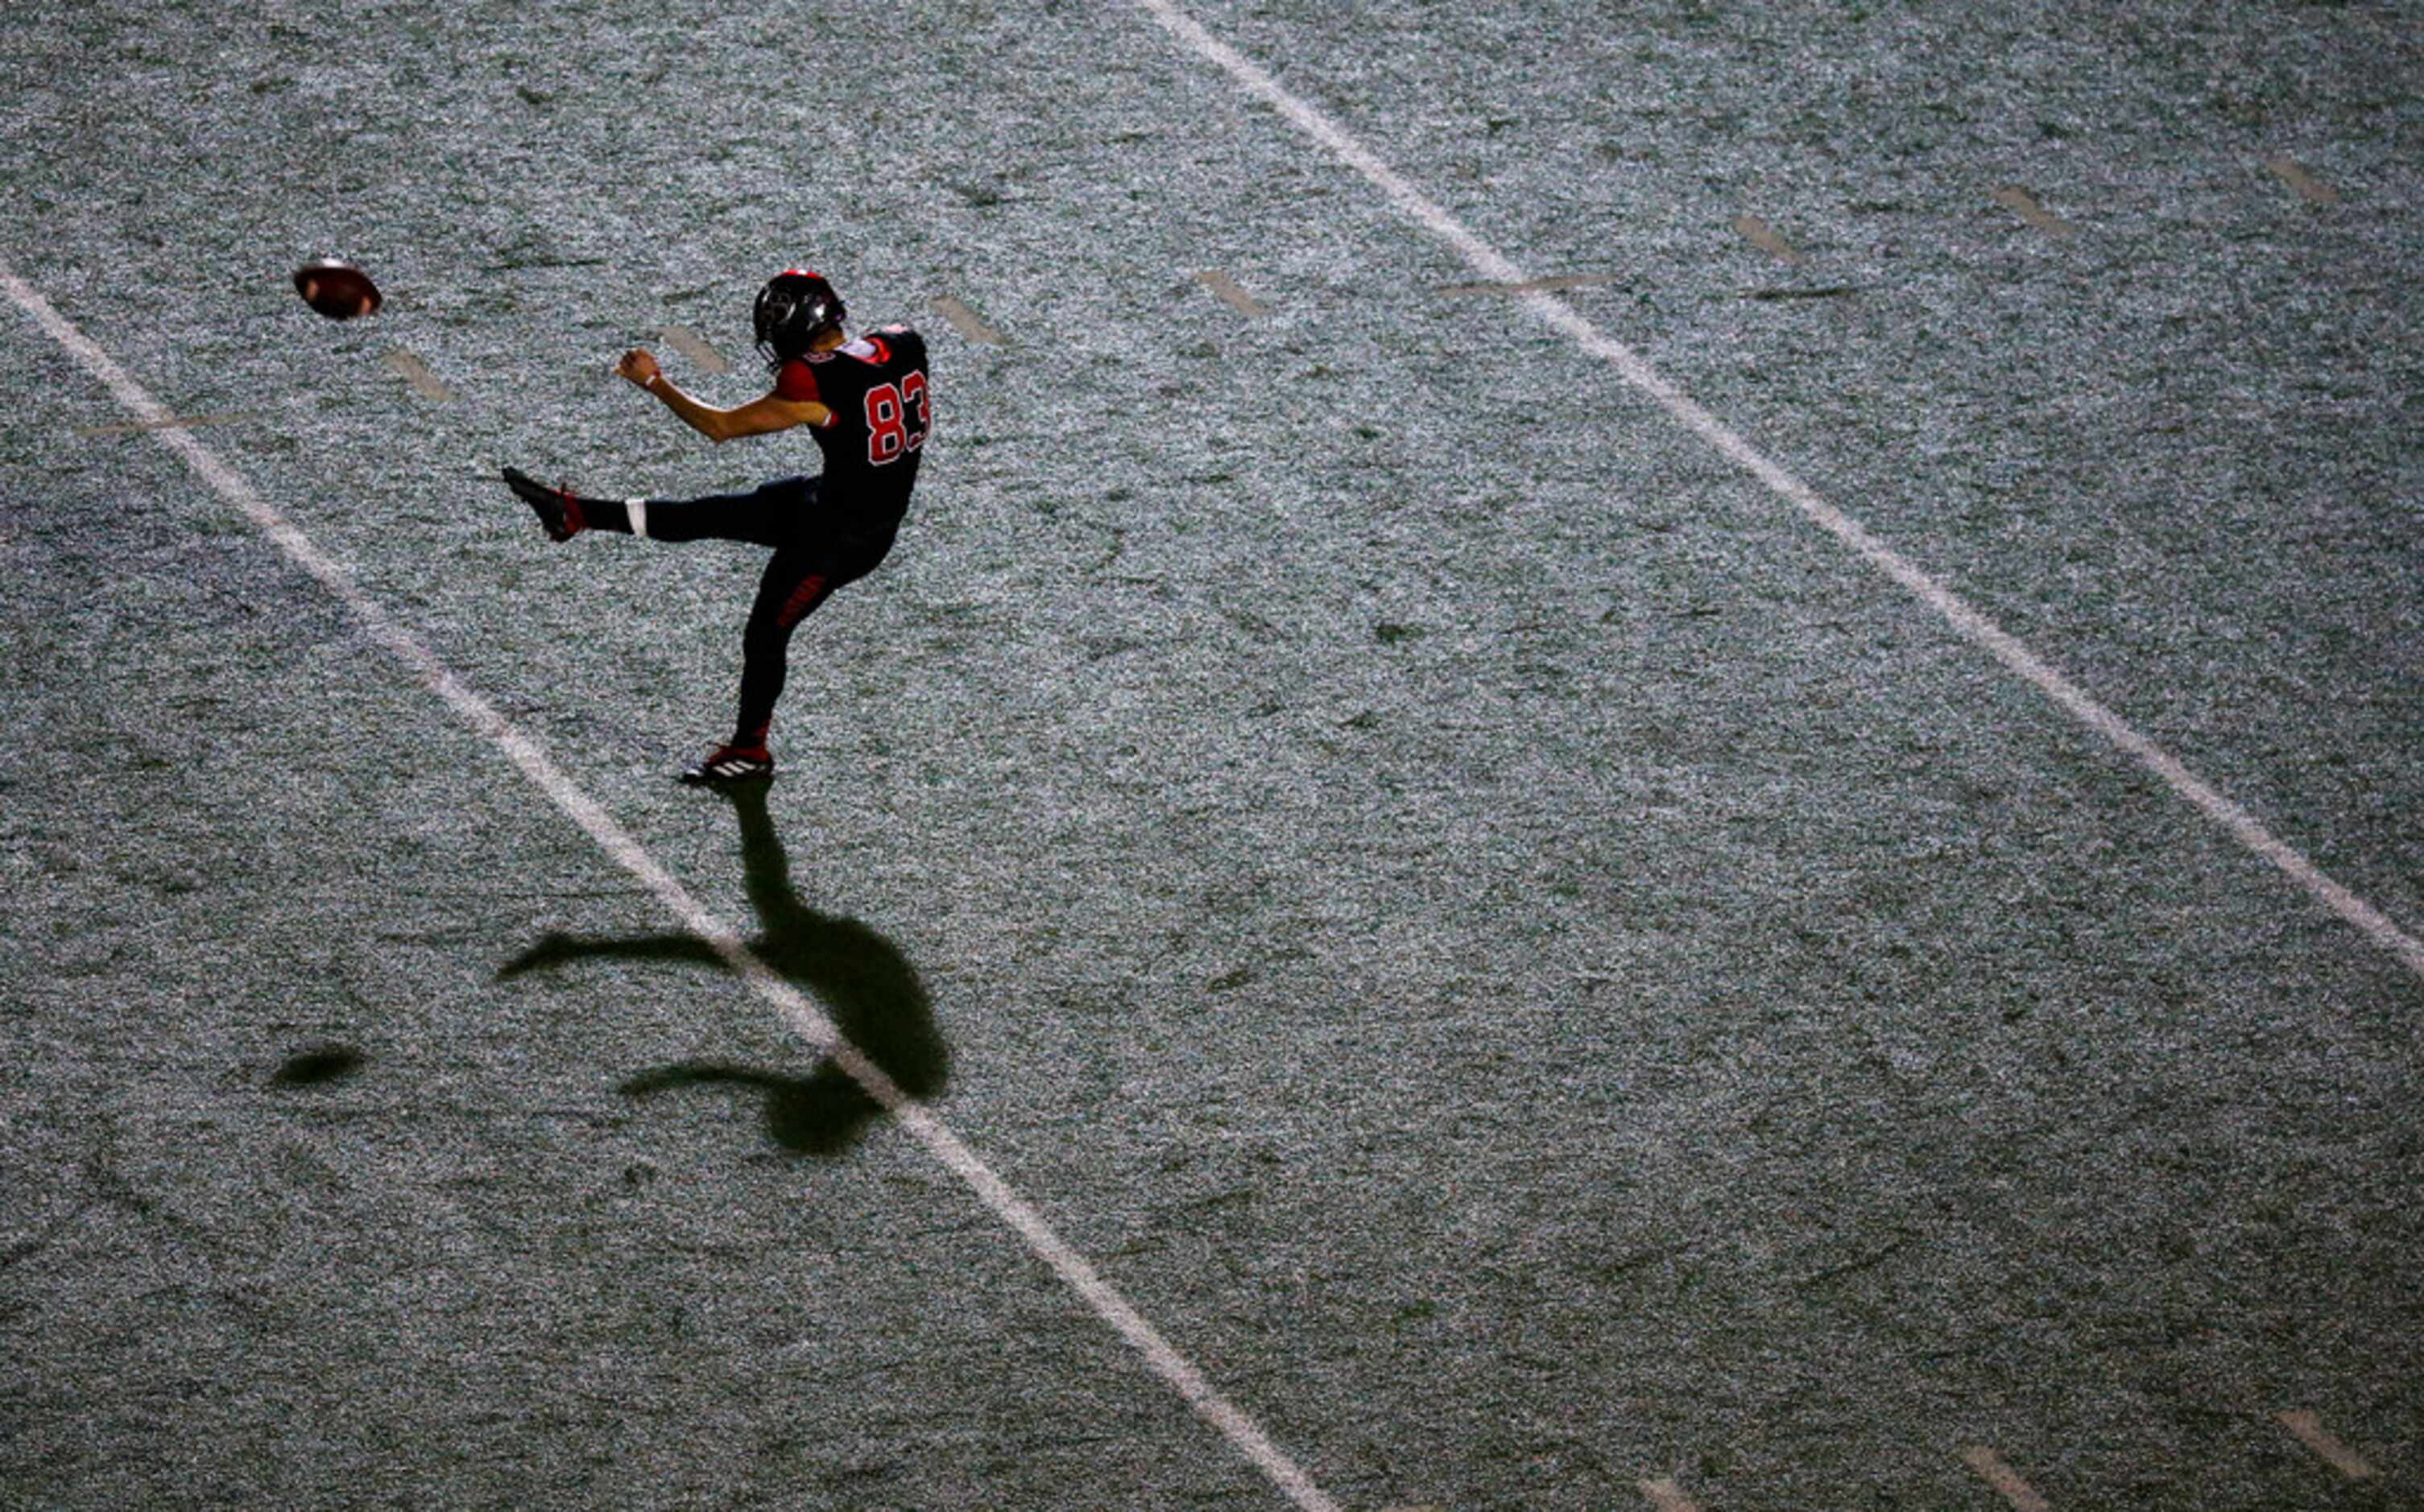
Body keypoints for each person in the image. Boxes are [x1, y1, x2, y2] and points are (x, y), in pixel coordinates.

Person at [503, 269, 930, 785]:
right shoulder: (902, 343)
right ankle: (574, 514)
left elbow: (720, 426)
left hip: (844, 538)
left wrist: (655, 382)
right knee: (709, 514)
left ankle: (750, 751)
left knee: (767, 633)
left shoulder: (812, 380)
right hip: (836, 501)